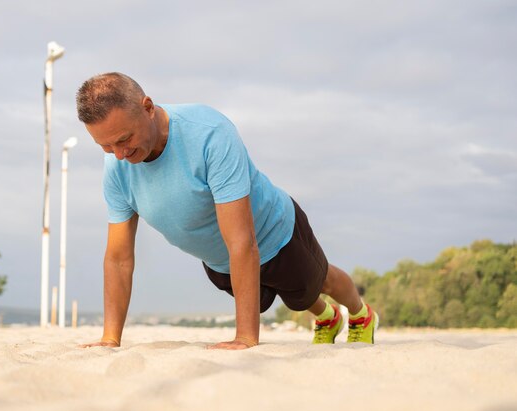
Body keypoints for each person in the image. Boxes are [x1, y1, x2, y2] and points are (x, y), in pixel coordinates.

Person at [76, 72, 378, 350]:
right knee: (291, 297)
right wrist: (110, 338)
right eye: (105, 146)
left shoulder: (209, 134)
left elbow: (241, 240)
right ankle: (327, 317)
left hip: (276, 234)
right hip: (222, 262)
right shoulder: (116, 168)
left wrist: (245, 338)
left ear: (148, 107)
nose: (119, 154)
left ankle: (360, 313)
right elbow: (118, 259)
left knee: (316, 284)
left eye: (124, 139)